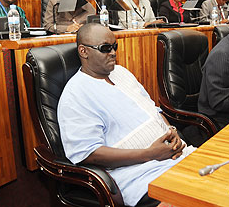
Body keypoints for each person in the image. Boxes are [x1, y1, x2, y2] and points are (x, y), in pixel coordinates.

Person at [57, 23, 195, 207]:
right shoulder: (75, 95)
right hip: (139, 173)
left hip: (176, 155)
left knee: (228, 179)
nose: (113, 52)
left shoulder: (121, 73)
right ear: (83, 51)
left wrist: (171, 130)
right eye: (105, 48)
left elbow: (153, 110)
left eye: (114, 46)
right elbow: (89, 154)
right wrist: (149, 154)